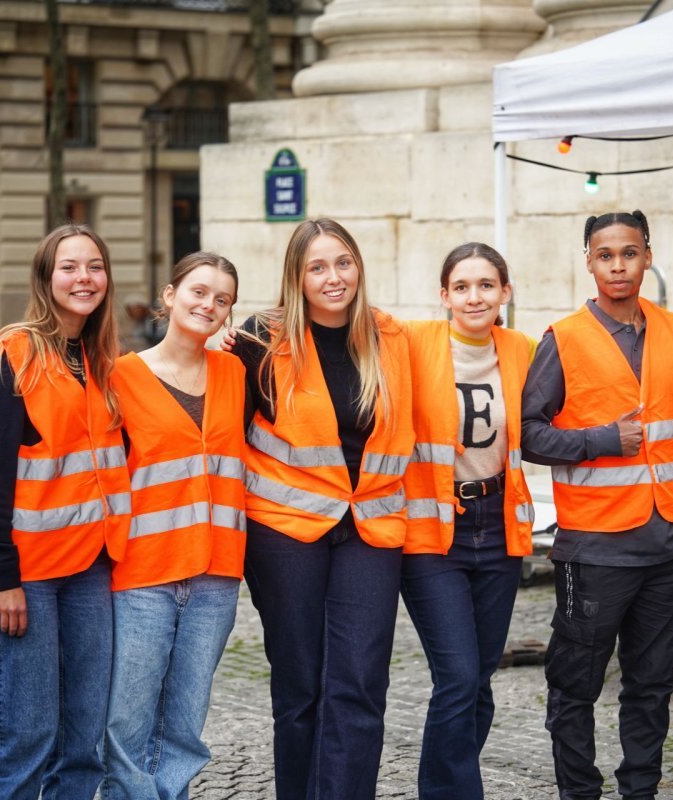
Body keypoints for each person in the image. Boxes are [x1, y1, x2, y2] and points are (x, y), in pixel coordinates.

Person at [231, 218, 413, 800]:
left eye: (343, 263)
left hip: (370, 527)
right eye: (317, 267)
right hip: (286, 533)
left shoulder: (391, 337)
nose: (333, 278)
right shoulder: (260, 340)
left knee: (360, 684)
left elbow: (469, 343)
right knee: (301, 686)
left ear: (358, 267)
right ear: (296, 276)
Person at [521, 210, 673, 800]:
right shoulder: (563, 339)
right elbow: (529, 434)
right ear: (589, 261)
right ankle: (579, 791)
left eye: (629, 253)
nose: (618, 265)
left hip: (669, 541)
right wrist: (601, 440)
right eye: (605, 255)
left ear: (648, 256)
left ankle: (640, 790)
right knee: (575, 683)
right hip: (596, 547)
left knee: (652, 683)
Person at [0, 224, 129, 799]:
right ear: (45, 277)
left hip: (89, 570)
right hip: (24, 578)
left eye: (94, 267)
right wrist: (2, 579)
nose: (83, 278)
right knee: (25, 741)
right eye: (69, 267)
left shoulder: (104, 363)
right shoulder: (14, 357)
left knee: (84, 743)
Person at [103, 252, 246, 799]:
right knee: (127, 723)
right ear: (169, 296)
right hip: (142, 575)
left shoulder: (237, 372)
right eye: (199, 291)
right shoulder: (121, 376)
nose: (209, 305)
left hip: (216, 576)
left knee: (185, 726)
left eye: (223, 299)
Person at [402, 243, 537, 800]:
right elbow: (338, 329)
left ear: (505, 292)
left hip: (498, 523)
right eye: (462, 286)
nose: (474, 296)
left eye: (486, 285)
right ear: (444, 296)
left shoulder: (526, 351)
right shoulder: (411, 343)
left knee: (478, 683)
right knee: (457, 678)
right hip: (434, 529)